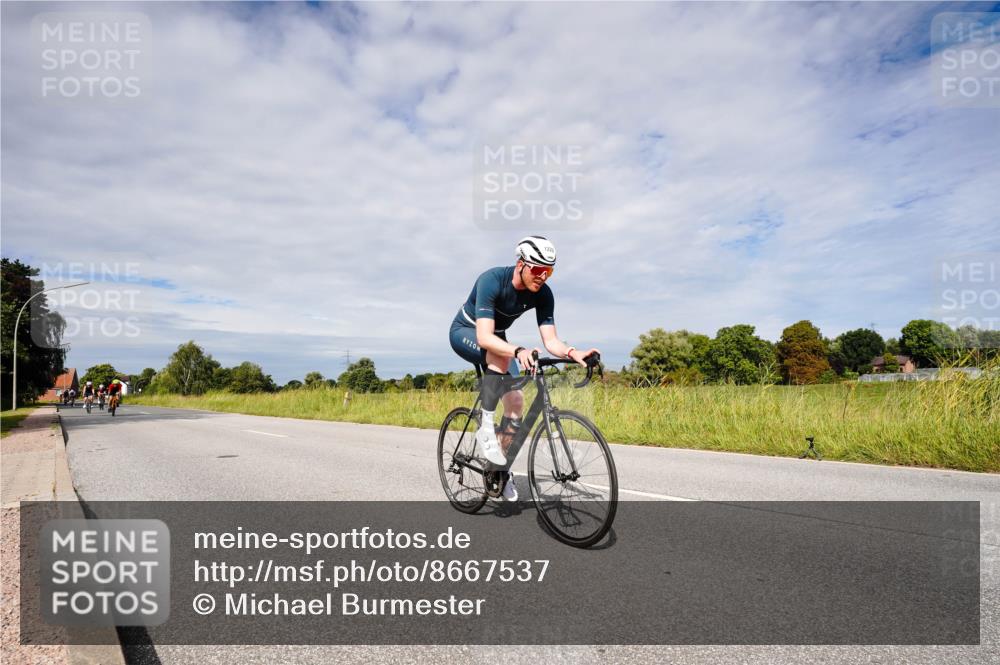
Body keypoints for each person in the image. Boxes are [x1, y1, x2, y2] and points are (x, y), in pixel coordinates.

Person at [449, 236, 599, 501]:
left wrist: (574, 353)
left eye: (549, 271)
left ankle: (498, 470)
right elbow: (484, 338)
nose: (543, 277)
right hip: (467, 331)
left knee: (516, 403)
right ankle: (485, 427)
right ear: (521, 264)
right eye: (538, 269)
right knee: (504, 357)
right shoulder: (492, 280)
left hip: (497, 338)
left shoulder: (543, 294)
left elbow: (551, 340)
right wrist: (518, 351)